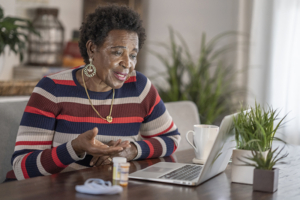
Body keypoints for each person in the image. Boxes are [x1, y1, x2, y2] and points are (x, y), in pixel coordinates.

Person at [5, 5, 180, 181]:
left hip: (104, 189)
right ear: (91, 49)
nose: (128, 63)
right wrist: (75, 148)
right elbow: (22, 167)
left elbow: (171, 139)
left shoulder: (138, 87)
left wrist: (131, 151)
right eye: (118, 52)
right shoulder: (52, 89)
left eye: (133, 55)